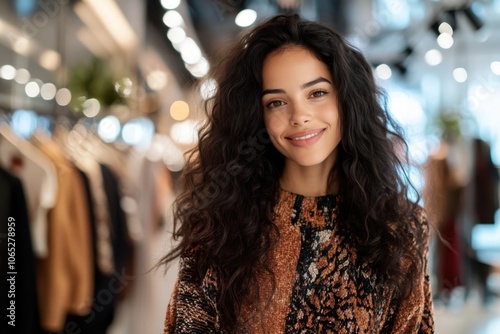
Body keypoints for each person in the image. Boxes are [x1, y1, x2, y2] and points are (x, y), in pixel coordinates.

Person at [161, 14, 434, 333]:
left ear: (346, 98)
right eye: (276, 102)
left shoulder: (397, 227)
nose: (299, 116)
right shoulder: (221, 225)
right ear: (257, 116)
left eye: (317, 93)